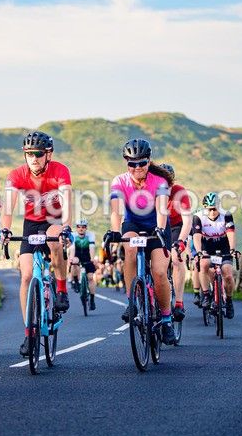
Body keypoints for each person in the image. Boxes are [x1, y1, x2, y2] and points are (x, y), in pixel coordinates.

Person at [0, 131, 73, 356]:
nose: (34, 158)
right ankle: (29, 333)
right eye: (29, 154)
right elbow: (8, 207)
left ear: (48, 154)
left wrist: (67, 227)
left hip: (54, 219)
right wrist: (5, 229)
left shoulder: (60, 171)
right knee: (26, 276)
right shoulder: (17, 175)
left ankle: (61, 289)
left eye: (38, 154)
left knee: (55, 241)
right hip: (31, 224)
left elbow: (67, 201)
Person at [104, 139, 176, 345]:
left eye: (142, 163)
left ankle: (166, 319)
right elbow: (116, 210)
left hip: (157, 226)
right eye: (132, 164)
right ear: (126, 163)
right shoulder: (119, 181)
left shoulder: (159, 182)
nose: (137, 168)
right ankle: (132, 302)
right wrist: (115, 232)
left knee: (159, 272)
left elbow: (162, 210)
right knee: (130, 251)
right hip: (132, 224)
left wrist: (160, 230)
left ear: (149, 161)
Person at [192, 191, 238, 319]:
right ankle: (206, 295)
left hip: (223, 245)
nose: (212, 212)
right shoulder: (198, 216)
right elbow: (196, 236)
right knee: (204, 264)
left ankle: (229, 301)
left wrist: (232, 249)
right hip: (206, 245)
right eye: (209, 209)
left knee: (227, 274)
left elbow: (231, 233)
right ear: (204, 208)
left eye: (215, 209)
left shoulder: (226, 215)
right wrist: (199, 252)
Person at [158, 163, 191, 322]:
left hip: (176, 227)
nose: (167, 187)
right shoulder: (151, 192)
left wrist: (181, 241)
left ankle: (178, 302)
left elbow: (187, 221)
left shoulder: (180, 192)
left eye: (169, 183)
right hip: (158, 226)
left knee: (177, 259)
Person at [69, 218, 97, 310]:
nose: (81, 228)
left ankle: (92, 300)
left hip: (87, 255)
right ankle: (76, 282)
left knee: (90, 278)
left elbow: (92, 248)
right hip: (77, 254)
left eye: (83, 227)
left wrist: (92, 259)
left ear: (86, 228)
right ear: (76, 228)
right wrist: (71, 259)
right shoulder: (73, 235)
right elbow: (72, 250)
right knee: (74, 262)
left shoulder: (90, 235)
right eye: (79, 227)